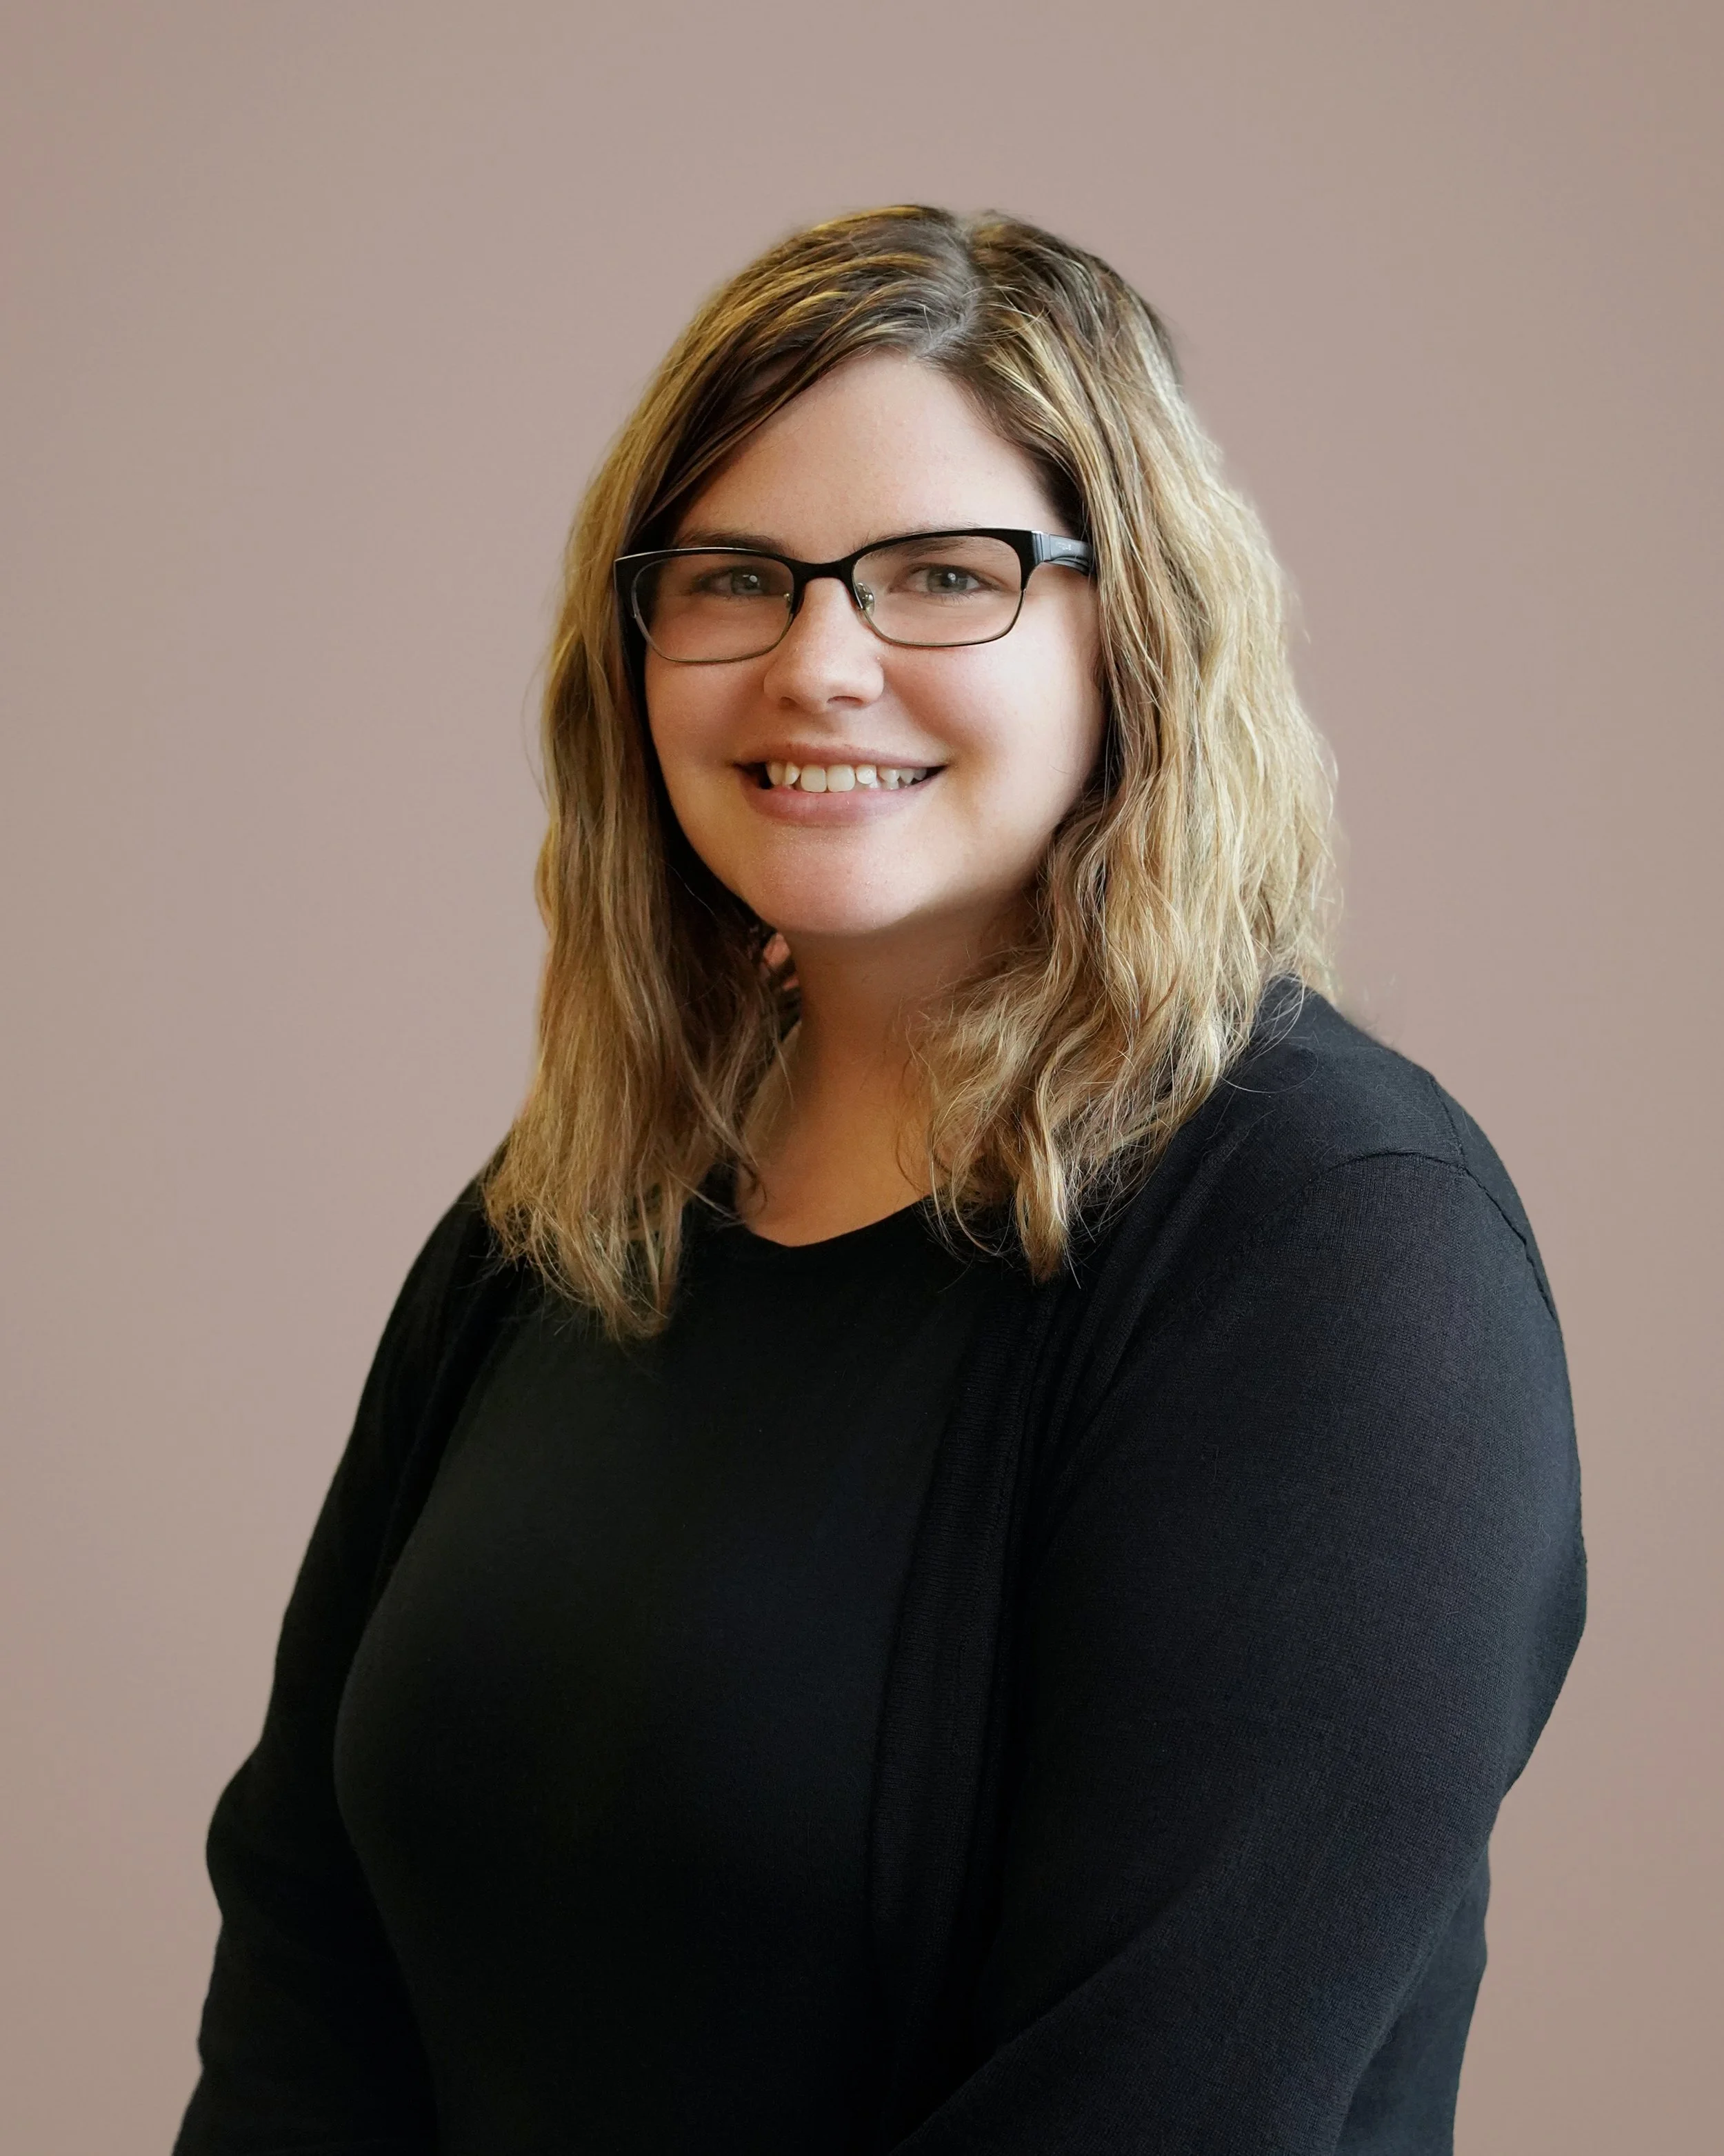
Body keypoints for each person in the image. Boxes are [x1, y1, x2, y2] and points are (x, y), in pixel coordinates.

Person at [174, 207, 1585, 2156]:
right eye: (734, 576)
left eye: (941, 573)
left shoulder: (1336, 1253)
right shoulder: (558, 1221)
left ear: (1136, 633)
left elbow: (1154, 2107)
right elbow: (305, 1951)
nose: (817, 662)